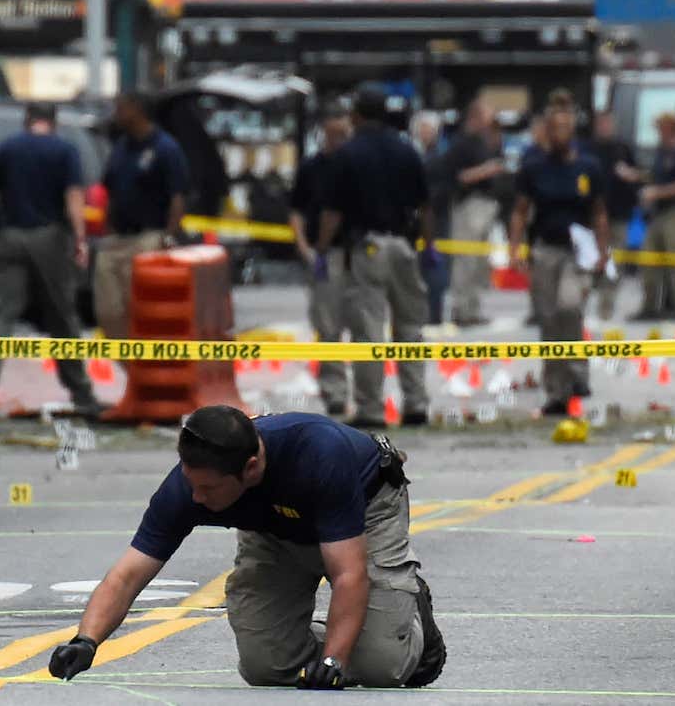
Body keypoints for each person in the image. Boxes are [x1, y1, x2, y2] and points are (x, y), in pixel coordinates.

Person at [47, 405, 445, 690]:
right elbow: (128, 574)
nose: (197, 498)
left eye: (209, 489)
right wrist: (87, 640)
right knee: (266, 666)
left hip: (362, 518)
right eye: (192, 484)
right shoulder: (187, 488)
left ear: (251, 467)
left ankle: (408, 621)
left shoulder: (318, 454)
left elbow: (348, 573)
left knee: (382, 668)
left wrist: (333, 660)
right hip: (274, 531)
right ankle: (370, 629)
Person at [0, 104, 101, 416]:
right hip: (49, 238)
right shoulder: (64, 150)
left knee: (0, 314)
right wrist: (80, 238)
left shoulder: (7, 148)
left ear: (27, 121)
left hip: (11, 236)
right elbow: (72, 197)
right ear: (52, 122)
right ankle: (81, 391)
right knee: (62, 315)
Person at [315, 82, 432, 427]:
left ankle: (371, 408)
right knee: (411, 327)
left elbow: (332, 213)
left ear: (357, 115)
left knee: (369, 330)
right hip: (405, 246)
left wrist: (322, 249)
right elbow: (425, 206)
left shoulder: (348, 154)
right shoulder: (406, 150)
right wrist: (431, 245)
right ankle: (416, 404)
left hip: (368, 248)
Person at [508, 102, 609, 416]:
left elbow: (599, 212)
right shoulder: (534, 167)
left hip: (577, 251)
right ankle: (556, 391)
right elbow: (520, 211)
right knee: (549, 319)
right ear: (546, 133)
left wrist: (604, 251)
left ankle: (578, 372)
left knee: (570, 306)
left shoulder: (588, 167)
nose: (558, 135)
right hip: (545, 249)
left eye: (564, 129)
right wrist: (515, 247)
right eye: (553, 129)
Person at [94, 91, 190, 339]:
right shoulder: (121, 147)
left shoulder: (165, 148)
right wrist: (107, 225)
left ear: (137, 110)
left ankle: (147, 370)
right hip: (116, 239)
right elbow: (110, 190)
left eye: (121, 107)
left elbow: (178, 196)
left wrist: (168, 236)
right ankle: (133, 366)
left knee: (141, 308)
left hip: (148, 238)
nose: (117, 114)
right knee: (108, 310)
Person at [290, 110, 353, 416]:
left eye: (343, 134)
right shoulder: (312, 168)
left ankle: (369, 395)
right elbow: (297, 210)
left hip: (355, 253)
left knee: (364, 327)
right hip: (325, 254)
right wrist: (308, 248)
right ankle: (335, 391)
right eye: (332, 134)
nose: (337, 140)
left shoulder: (357, 165)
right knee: (327, 326)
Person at [633, 113, 675, 322]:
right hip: (658, 213)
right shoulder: (661, 152)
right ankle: (649, 306)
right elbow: (655, 176)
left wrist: (656, 193)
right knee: (649, 259)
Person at [446, 100, 505, 327]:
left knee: (480, 262)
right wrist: (487, 170)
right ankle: (460, 309)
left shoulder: (483, 142)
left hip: (486, 205)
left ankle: (473, 308)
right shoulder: (462, 143)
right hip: (469, 206)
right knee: (466, 260)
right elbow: (460, 176)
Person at [589, 111, 641, 321]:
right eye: (601, 123)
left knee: (614, 261)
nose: (605, 127)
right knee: (590, 259)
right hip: (592, 215)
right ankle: (584, 303)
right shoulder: (588, 150)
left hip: (618, 213)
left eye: (608, 123)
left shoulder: (623, 148)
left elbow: (637, 176)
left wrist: (630, 175)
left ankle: (606, 306)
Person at [412, 111, 452, 325]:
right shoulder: (416, 156)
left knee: (435, 271)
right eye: (422, 129)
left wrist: (423, 204)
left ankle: (434, 315)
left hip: (437, 222)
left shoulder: (441, 158)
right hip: (417, 223)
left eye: (429, 129)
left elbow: (441, 191)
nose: (425, 133)